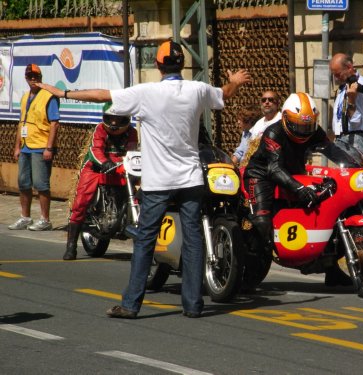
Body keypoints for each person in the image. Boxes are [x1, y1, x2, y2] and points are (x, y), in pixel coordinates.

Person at [38, 40, 251, 319]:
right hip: (190, 178)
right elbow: (224, 93)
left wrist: (63, 92)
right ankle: (193, 305)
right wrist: (234, 81)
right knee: (194, 238)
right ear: (182, 64)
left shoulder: (145, 92)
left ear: (157, 65)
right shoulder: (197, 90)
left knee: (146, 241)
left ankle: (131, 305)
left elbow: (102, 95)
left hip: (158, 182)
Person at [243, 92, 352, 287]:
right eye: (299, 125)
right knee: (261, 221)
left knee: (326, 214)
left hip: (294, 175)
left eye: (307, 126)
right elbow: (274, 169)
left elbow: (331, 150)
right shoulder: (273, 133)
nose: (304, 130)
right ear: (285, 118)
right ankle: (249, 271)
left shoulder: (314, 131)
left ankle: (330, 268)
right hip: (262, 176)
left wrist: (354, 166)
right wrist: (300, 188)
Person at [63, 103, 138, 261]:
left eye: (118, 119)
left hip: (119, 166)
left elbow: (131, 151)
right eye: (111, 118)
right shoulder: (100, 129)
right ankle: (71, 246)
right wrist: (105, 162)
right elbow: (95, 149)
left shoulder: (132, 132)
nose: (114, 123)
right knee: (82, 200)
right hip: (95, 167)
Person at [9, 64, 60, 231]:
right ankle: (25, 217)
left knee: (41, 185)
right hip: (25, 146)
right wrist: (17, 146)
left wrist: (49, 148)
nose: (33, 79)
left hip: (40, 146)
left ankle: (45, 220)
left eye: (35, 76)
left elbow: (54, 124)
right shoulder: (25, 97)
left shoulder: (48, 96)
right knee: (23, 183)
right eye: (29, 76)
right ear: (25, 78)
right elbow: (21, 122)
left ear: (41, 77)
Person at [330, 53, 363, 161]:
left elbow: (355, 121)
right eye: (334, 74)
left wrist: (351, 100)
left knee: (354, 176)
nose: (336, 78)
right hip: (342, 139)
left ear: (349, 67)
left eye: (338, 74)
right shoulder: (345, 85)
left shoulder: (360, 87)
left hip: (355, 140)